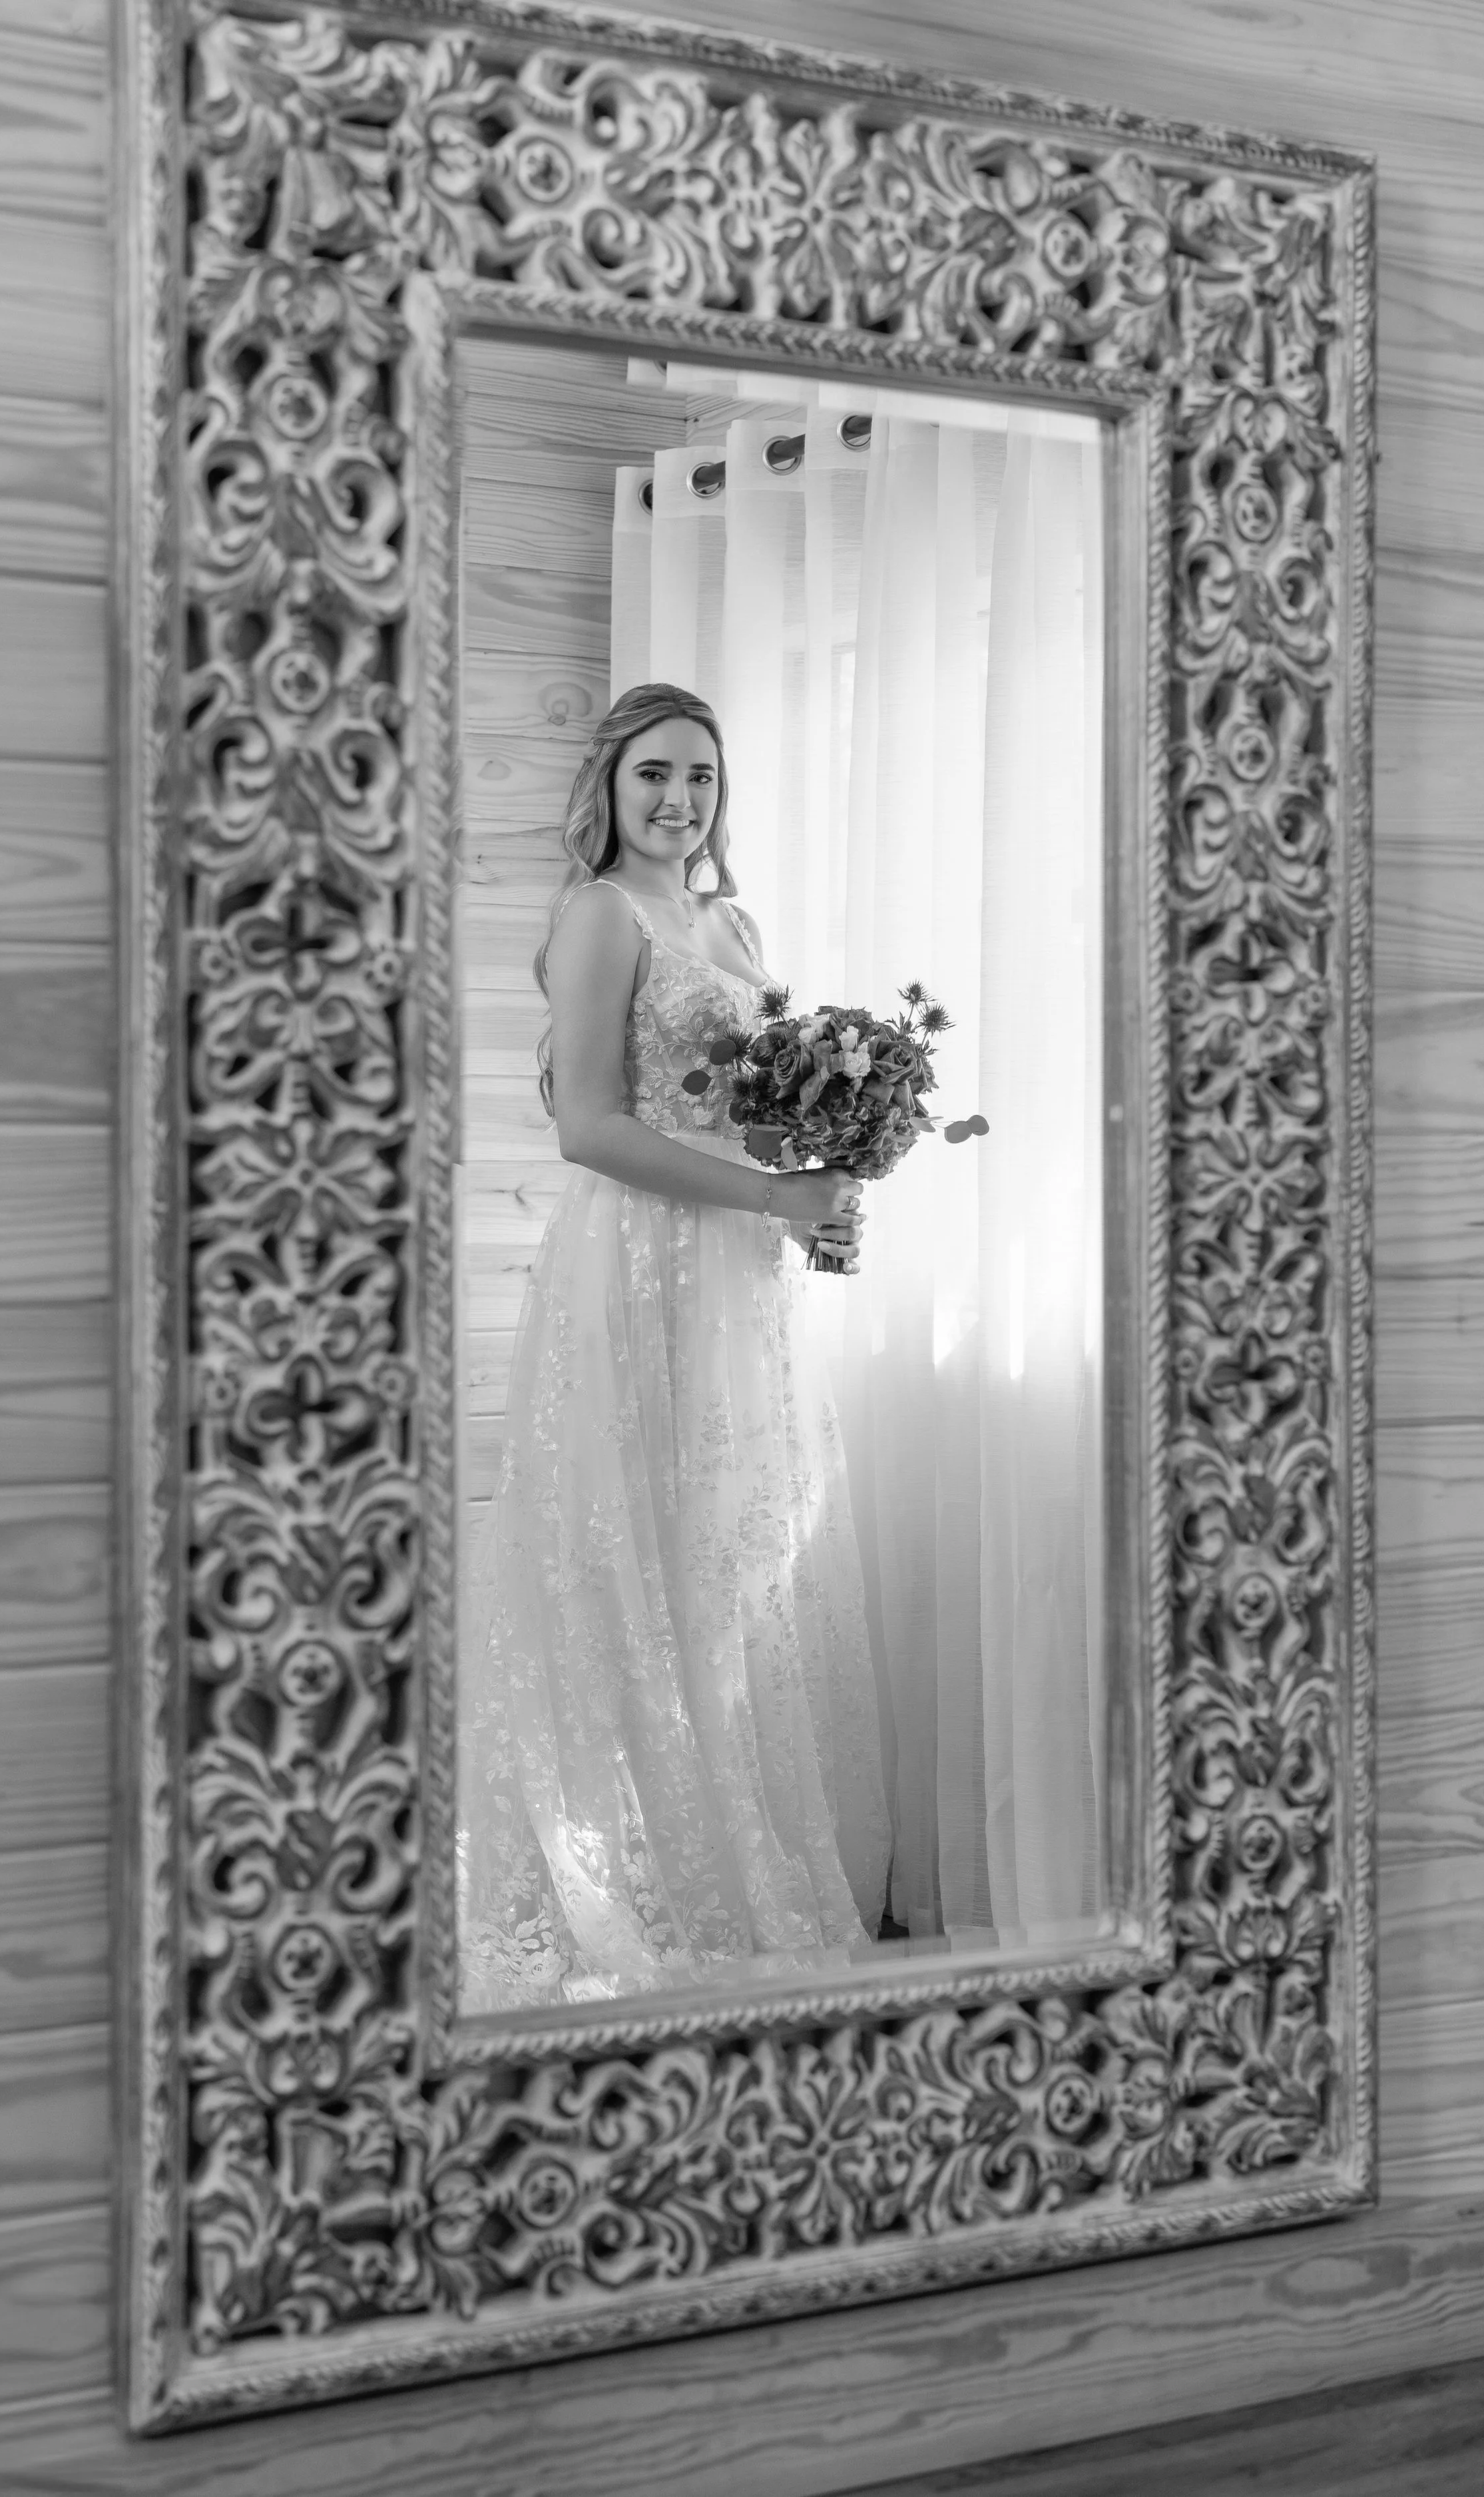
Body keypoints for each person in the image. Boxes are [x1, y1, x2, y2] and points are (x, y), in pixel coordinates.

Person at [457, 683, 893, 2011]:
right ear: (608, 785)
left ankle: (712, 1843)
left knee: (722, 1561)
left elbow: (745, 1109)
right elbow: (587, 1126)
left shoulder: (732, 920)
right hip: (630, 1265)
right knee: (617, 1548)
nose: (677, 801)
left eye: (700, 778)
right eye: (654, 774)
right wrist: (770, 1194)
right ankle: (606, 1867)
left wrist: (821, 1168)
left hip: (730, 1271)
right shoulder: (599, 915)